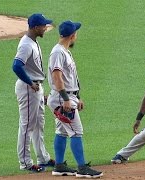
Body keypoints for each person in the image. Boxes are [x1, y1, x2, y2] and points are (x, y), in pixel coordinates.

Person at [47, 20, 103, 178]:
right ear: (72, 35)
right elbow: (57, 76)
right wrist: (66, 99)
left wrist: (77, 98)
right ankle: (82, 168)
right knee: (76, 132)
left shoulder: (64, 51)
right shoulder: (58, 52)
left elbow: (69, 77)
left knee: (62, 131)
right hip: (62, 98)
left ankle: (59, 166)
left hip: (66, 96)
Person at [12, 13, 55, 172]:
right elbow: (16, 66)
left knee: (39, 124)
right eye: (44, 25)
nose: (46, 28)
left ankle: (42, 157)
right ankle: (25, 162)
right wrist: (31, 83)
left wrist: (38, 87)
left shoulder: (33, 41)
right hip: (28, 88)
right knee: (27, 125)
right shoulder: (25, 45)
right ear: (36, 27)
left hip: (35, 88)